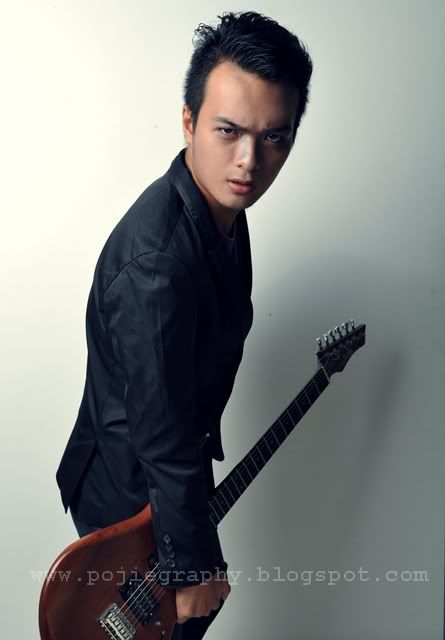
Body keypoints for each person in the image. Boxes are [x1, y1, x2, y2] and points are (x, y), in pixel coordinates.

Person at [55, 10, 313, 639]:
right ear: (189, 122)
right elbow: (161, 432)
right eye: (228, 130)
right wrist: (191, 566)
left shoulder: (219, 213)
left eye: (274, 137)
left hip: (169, 477)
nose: (249, 161)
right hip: (128, 490)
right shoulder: (158, 265)